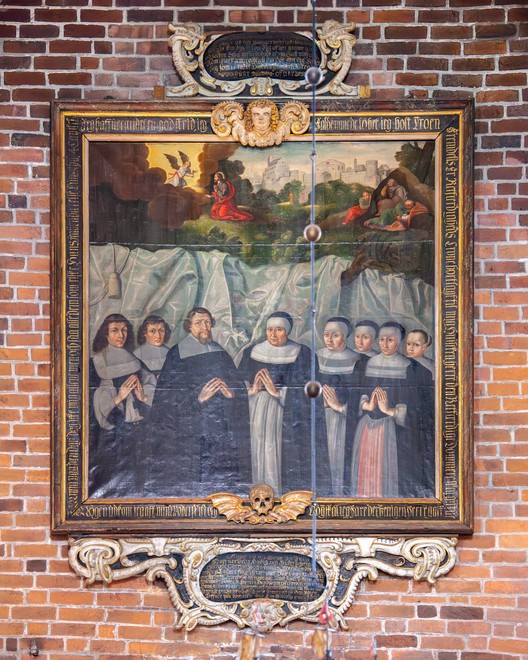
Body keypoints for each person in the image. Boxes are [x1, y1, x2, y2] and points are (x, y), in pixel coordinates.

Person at [149, 307, 250, 496]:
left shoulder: (220, 352)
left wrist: (232, 394)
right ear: (189, 326)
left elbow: (238, 387)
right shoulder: (177, 354)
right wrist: (198, 398)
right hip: (191, 431)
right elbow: (166, 399)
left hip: (221, 428)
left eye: (207, 322)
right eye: (198, 323)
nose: (204, 327)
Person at [241, 312, 323, 495]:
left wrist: (278, 393)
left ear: (287, 331)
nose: (273, 334)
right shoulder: (251, 352)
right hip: (255, 411)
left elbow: (309, 391)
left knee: (275, 452)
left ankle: (278, 494)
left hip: (283, 414)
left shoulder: (302, 354)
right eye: (270, 329)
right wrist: (251, 391)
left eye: (279, 330)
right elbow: (239, 382)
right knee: (257, 450)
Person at [350, 321, 434, 499]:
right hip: (367, 429)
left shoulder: (411, 368)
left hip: (394, 432)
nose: (385, 344)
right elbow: (357, 393)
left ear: (398, 341)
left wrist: (390, 410)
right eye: (382, 339)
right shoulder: (365, 364)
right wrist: (366, 405)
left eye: (390, 340)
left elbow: (417, 407)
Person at [88, 313, 156, 498]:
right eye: (115, 331)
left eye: (124, 330)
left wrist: (143, 396)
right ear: (105, 334)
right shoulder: (96, 363)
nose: (121, 335)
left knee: (139, 477)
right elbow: (90, 402)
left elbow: (150, 384)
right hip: (110, 433)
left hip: (137, 430)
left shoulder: (134, 360)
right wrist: (118, 397)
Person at [317, 317, 366, 496]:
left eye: (335, 335)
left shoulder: (358, 360)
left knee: (341, 460)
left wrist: (339, 407)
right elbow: (306, 388)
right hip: (320, 419)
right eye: (326, 335)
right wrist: (320, 402)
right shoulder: (316, 357)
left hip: (345, 422)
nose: (329, 339)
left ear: (345, 337)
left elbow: (361, 393)